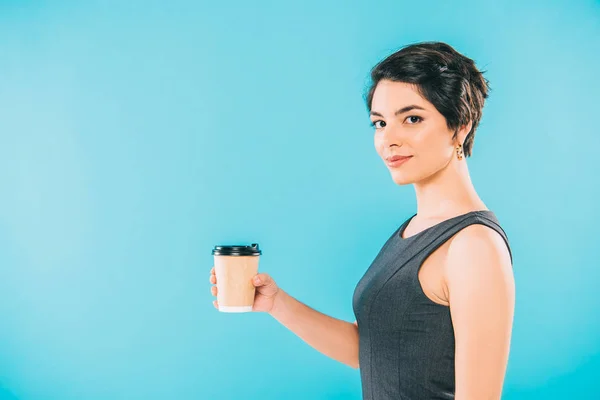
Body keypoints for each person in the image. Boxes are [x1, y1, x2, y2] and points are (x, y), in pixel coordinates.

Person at [209, 41, 515, 400]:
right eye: (380, 123)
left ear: (460, 125)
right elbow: (371, 351)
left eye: (412, 118)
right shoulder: (413, 229)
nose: (389, 139)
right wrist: (276, 303)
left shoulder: (474, 246)